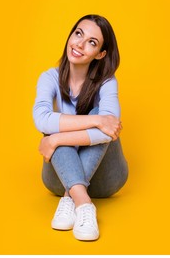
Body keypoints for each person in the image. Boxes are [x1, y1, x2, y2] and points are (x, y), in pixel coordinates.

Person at [32, 14, 128, 241]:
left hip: (108, 180)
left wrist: (55, 139)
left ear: (101, 54)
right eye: (78, 34)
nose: (80, 44)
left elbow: (111, 128)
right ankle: (83, 203)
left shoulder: (107, 82)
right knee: (77, 120)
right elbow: (41, 119)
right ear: (71, 35)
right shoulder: (49, 78)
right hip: (58, 180)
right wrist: (96, 121)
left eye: (92, 43)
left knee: (64, 127)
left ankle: (71, 197)